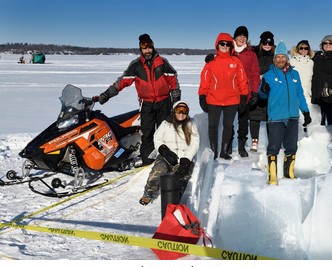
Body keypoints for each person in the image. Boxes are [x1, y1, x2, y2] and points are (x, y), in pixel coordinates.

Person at [93, 34, 181, 166]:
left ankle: (168, 161)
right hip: (146, 105)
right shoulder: (136, 65)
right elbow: (121, 82)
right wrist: (105, 95)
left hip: (164, 102)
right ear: (140, 49)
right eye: (144, 48)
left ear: (153, 47)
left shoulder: (162, 62)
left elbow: (173, 80)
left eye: (149, 47)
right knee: (147, 135)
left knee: (166, 133)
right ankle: (148, 164)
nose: (147, 51)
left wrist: (176, 101)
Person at [258, 41, 311, 184]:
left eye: (283, 57)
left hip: (293, 117)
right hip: (276, 117)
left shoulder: (295, 74)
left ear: (287, 58)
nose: (281, 60)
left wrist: (305, 112)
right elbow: (261, 96)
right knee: (273, 147)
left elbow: (300, 94)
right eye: (278, 57)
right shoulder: (268, 75)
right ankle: (273, 177)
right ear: (274, 59)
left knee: (292, 147)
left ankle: (289, 174)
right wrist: (263, 91)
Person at [198, 32, 249, 160]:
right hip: (213, 99)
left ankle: (224, 151)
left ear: (231, 46)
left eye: (227, 44)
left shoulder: (236, 61)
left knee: (228, 125)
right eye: (222, 43)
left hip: (232, 100)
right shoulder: (211, 62)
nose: (225, 46)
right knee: (213, 125)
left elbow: (242, 80)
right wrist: (202, 96)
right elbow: (205, 80)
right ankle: (214, 151)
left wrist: (243, 96)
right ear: (217, 45)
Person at [139, 101, 199, 205]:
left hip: (183, 157)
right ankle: (149, 194)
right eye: (178, 111)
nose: (181, 114)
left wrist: (186, 159)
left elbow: (195, 143)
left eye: (184, 112)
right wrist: (164, 150)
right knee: (157, 170)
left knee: (182, 177)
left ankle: (175, 201)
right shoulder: (166, 123)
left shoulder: (191, 125)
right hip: (166, 155)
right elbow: (157, 137)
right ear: (174, 111)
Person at [231, 26, 260, 157]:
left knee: (243, 121)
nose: (242, 38)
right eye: (240, 35)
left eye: (245, 36)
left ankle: (241, 146)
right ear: (235, 37)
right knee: (229, 121)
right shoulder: (228, 51)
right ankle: (228, 144)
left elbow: (254, 74)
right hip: (230, 93)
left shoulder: (251, 53)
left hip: (245, 93)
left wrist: (254, 92)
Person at [249, 31, 275, 152]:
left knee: (270, 115)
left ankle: (272, 140)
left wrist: (265, 75)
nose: (267, 45)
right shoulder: (254, 53)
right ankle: (255, 140)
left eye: (269, 43)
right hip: (255, 86)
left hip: (270, 89)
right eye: (264, 42)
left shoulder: (275, 56)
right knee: (254, 114)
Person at [311, 35, 332, 126]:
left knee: (331, 120)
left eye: (330, 43)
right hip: (316, 94)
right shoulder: (317, 56)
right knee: (317, 121)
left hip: (330, 95)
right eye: (325, 43)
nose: (327, 44)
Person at [290, 40, 320, 125]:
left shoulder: (311, 62)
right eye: (301, 48)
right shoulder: (291, 61)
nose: (303, 50)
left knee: (308, 120)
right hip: (294, 94)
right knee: (296, 121)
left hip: (307, 95)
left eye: (306, 48)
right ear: (297, 49)